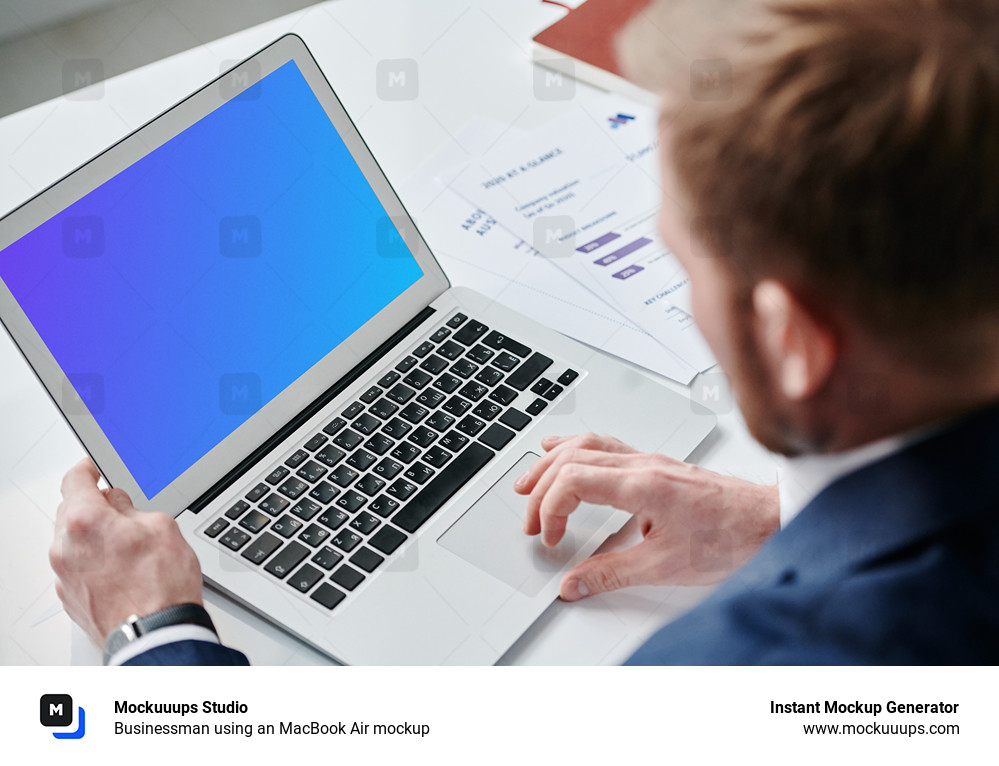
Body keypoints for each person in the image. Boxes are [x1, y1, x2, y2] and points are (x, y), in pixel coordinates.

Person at [51, 0, 999, 665]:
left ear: (791, 337)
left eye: (685, 251)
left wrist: (158, 638)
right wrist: (778, 518)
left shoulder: (751, 672)